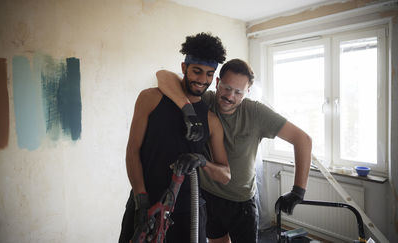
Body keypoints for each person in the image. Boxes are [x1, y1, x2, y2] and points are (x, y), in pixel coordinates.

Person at [156, 58, 312, 243]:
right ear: (217, 82)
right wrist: (187, 109)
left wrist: (298, 191)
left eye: (238, 92)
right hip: (208, 194)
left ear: (247, 92)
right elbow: (163, 76)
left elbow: (302, 140)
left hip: (240, 202)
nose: (230, 96)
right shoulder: (205, 101)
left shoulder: (256, 113)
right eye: (226, 88)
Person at [119, 32, 231, 243]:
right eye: (197, 71)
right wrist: (141, 200)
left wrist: (202, 161)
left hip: (188, 213)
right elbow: (132, 151)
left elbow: (226, 175)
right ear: (183, 68)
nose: (202, 80)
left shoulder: (211, 120)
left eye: (209, 74)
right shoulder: (150, 98)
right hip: (143, 204)